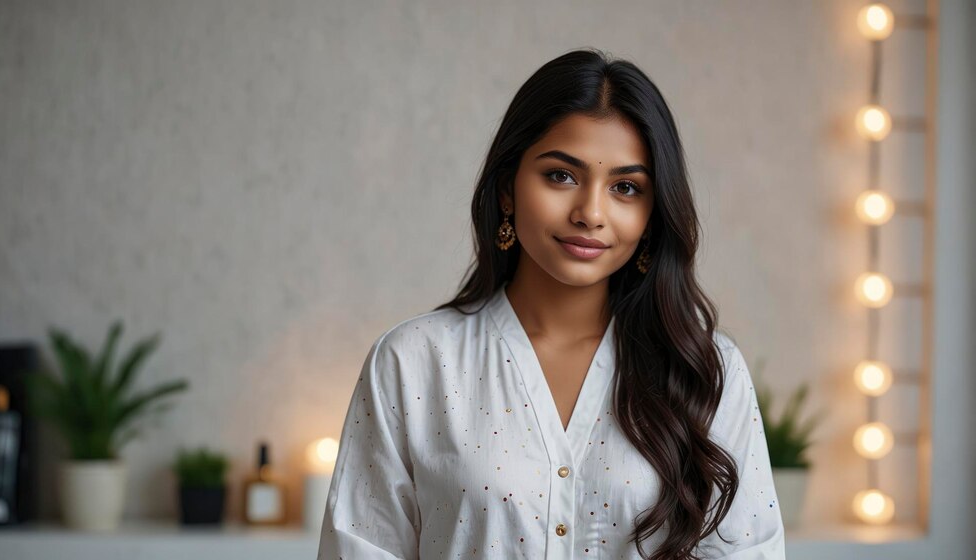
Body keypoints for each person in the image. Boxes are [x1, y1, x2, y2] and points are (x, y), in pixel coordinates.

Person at [317, 48, 785, 559]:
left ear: (653, 214)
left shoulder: (707, 371)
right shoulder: (414, 362)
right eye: (561, 176)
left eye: (626, 187)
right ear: (507, 190)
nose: (590, 212)